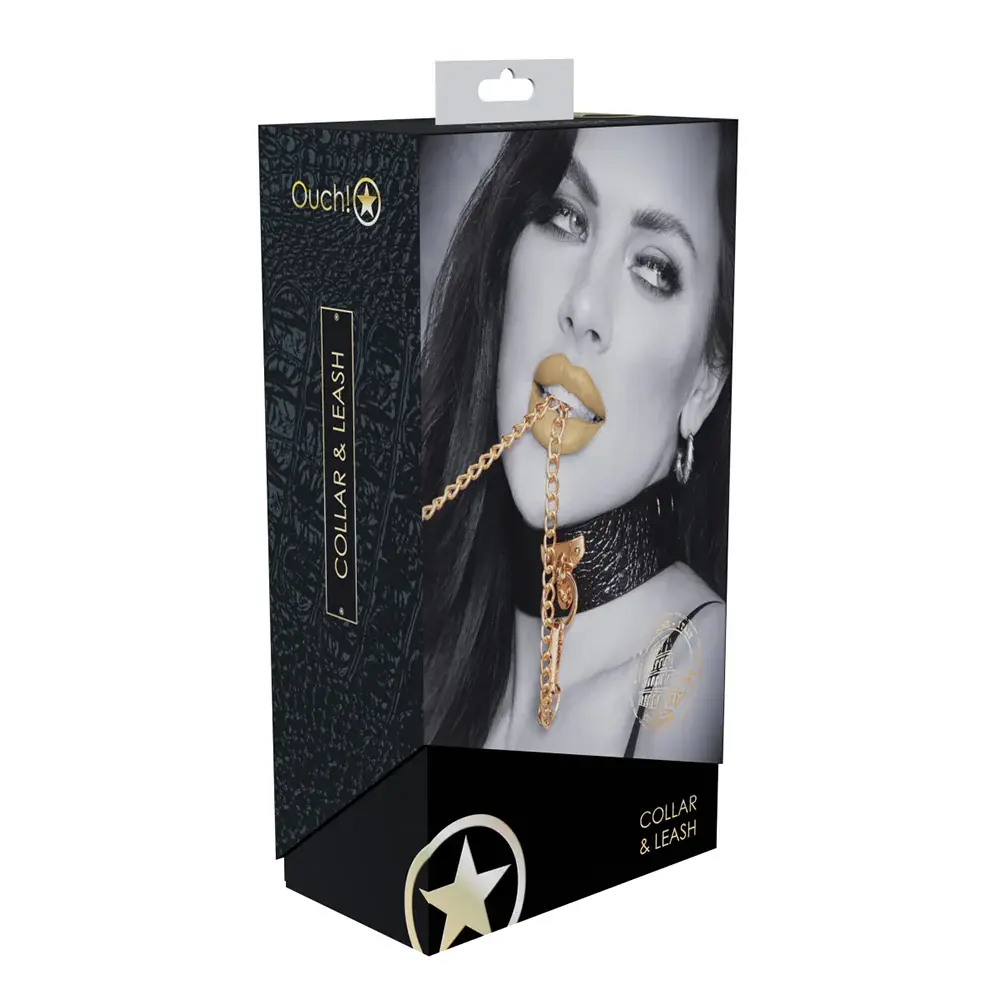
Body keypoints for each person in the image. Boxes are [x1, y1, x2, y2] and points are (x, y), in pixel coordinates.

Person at [422, 121, 736, 761]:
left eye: (654, 269)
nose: (585, 306)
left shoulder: (697, 671)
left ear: (705, 382)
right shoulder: (439, 641)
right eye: (566, 217)